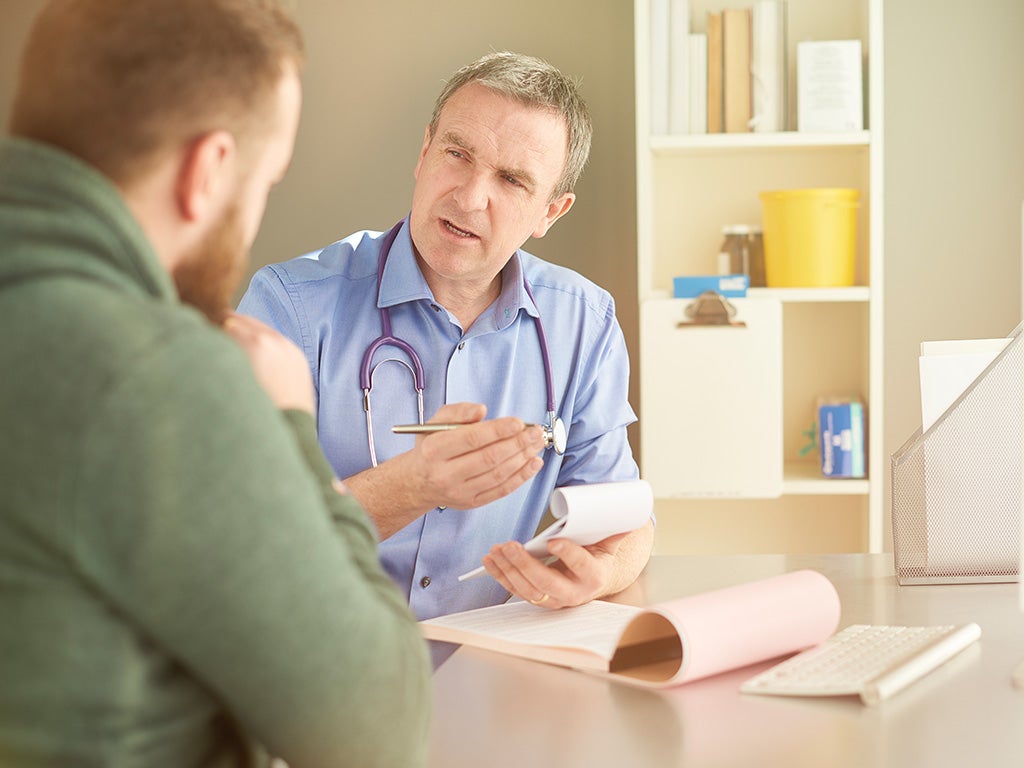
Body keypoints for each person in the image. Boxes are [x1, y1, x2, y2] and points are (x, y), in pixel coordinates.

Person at [0, 1, 430, 766]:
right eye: (265, 179)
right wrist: (293, 429)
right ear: (208, 172)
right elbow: (379, 732)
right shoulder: (156, 375)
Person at [239, 52, 655, 638]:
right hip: (316, 664)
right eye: (458, 154)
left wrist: (599, 571)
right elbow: (241, 536)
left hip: (488, 666)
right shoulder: (290, 306)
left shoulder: (582, 322)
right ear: (424, 151)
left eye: (512, 180)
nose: (469, 197)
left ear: (550, 212)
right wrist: (415, 485)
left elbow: (625, 515)